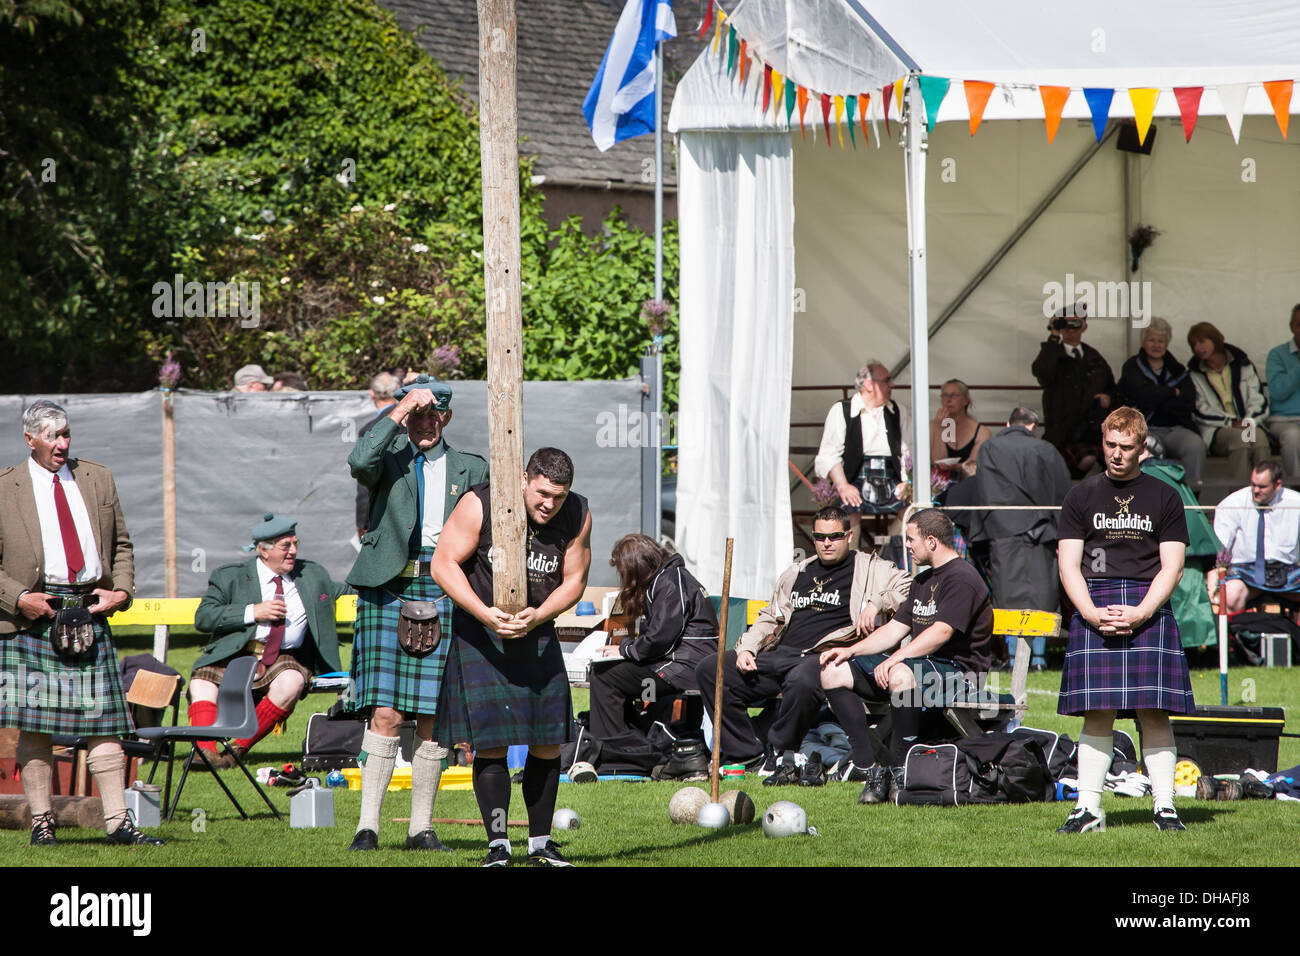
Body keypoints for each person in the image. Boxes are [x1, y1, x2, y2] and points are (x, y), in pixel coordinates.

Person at [0, 400, 162, 846]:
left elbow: (123, 544)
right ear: (30, 438)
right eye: (52, 436)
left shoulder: (96, 477)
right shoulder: (5, 487)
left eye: (66, 433)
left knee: (105, 723)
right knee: (34, 725)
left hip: (91, 610)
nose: (62, 443)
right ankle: (42, 823)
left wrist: (123, 592)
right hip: (33, 618)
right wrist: (19, 598)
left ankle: (118, 824)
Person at [345, 375, 487, 851]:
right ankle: (367, 827)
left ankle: (420, 828)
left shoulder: (470, 467)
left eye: (432, 415)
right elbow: (358, 458)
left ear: (446, 417)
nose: (424, 424)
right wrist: (400, 408)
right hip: (389, 588)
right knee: (384, 713)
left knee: (434, 714)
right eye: (417, 416)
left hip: (446, 586)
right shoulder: (388, 457)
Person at [432, 447, 593, 867]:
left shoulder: (577, 512)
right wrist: (483, 613)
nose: (549, 504)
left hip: (536, 633)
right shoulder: (479, 502)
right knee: (491, 745)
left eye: (558, 496)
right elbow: (443, 563)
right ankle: (498, 845)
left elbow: (575, 579)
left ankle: (540, 843)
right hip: (482, 637)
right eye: (542, 493)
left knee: (546, 743)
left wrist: (541, 614)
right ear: (524, 478)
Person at [695, 505, 911, 785]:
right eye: (820, 537)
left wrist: (876, 602)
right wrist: (747, 648)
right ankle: (747, 754)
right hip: (780, 653)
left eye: (834, 536)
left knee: (803, 680)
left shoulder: (871, 568)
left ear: (848, 535)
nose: (827, 543)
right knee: (711, 669)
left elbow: (908, 585)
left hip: (824, 655)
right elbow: (770, 617)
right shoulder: (797, 572)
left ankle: (781, 750)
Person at [1054, 406, 1193, 833]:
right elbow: (1067, 564)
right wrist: (1090, 613)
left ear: (1142, 448)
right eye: (1110, 445)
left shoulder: (1165, 496)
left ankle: (1165, 807)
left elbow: (1172, 567)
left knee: (1154, 711)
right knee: (1098, 709)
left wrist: (1142, 611)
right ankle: (1088, 810)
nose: (1116, 454)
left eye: (1126, 447)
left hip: (1147, 606)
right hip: (1095, 600)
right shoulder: (1081, 495)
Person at [818, 509, 993, 805]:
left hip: (961, 674)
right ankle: (870, 765)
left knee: (899, 673)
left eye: (911, 539)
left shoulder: (962, 577)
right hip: (921, 668)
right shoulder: (922, 581)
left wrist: (894, 659)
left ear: (932, 541)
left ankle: (901, 770)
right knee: (832, 671)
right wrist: (850, 650)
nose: (907, 546)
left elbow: (941, 633)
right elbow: (893, 630)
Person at [189, 513, 351, 768]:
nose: (293, 551)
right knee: (201, 684)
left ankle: (236, 750)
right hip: (237, 652)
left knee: (292, 682)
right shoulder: (230, 576)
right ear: (263, 551)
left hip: (284, 657)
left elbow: (350, 591)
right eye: (285, 546)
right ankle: (204, 753)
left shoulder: (312, 575)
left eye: (296, 544)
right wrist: (253, 611)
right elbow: (204, 617)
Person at [585, 534, 717, 769]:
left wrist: (624, 648)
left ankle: (614, 750)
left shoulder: (668, 582)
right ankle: (628, 742)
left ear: (635, 567)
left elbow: (660, 639)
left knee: (604, 675)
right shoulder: (669, 577)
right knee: (613, 671)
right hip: (686, 664)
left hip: (683, 668)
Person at [964, 405, 1071, 670]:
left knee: (1006, 595)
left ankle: (1012, 658)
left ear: (1008, 424)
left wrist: (988, 531)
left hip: (1002, 532)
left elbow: (984, 491)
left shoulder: (989, 449)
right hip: (1042, 531)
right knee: (1043, 593)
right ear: (1033, 426)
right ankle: (1038, 658)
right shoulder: (1045, 449)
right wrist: (1059, 530)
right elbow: (1061, 491)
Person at [814, 360, 910, 550]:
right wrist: (842, 485)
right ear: (869, 384)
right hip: (853, 477)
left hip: (891, 476)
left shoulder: (898, 411)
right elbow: (828, 454)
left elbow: (909, 451)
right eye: (887, 380)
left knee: (911, 513)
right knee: (848, 512)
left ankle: (889, 559)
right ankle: (850, 565)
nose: (892, 385)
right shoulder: (842, 410)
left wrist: (907, 482)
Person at [1140, 436, 1220, 650]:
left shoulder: (1145, 476)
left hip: (1164, 553)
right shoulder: (1175, 475)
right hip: (1190, 551)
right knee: (1192, 603)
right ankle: (1200, 651)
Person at [1116, 317, 1206, 492]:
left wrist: (1155, 395)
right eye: (1151, 340)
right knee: (1148, 446)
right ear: (1143, 342)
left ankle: (1191, 501)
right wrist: (1171, 392)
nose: (1156, 345)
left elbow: (1187, 402)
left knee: (1195, 445)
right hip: (1145, 427)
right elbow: (1140, 396)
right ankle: (1150, 500)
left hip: (1175, 428)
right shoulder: (1132, 366)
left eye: (1161, 341)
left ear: (1167, 343)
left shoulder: (1178, 370)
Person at [1031, 303, 1116, 478]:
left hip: (1091, 430)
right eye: (1065, 324)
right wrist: (1053, 335)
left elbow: (1113, 388)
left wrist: (1108, 398)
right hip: (1062, 432)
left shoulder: (1094, 357)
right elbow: (1041, 372)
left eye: (1075, 323)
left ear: (1084, 326)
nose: (1071, 329)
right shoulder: (1053, 354)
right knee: (1083, 460)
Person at [1207, 460, 1300, 613]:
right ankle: (1238, 636)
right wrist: (1213, 584)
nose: (1256, 490)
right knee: (1230, 595)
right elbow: (1218, 549)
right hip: (1245, 571)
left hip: (1288, 571)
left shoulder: (1296, 503)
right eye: (1253, 485)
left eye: (1262, 486)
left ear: (1277, 485)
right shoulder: (1232, 503)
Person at [1186, 321, 1270, 479]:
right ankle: (1239, 501)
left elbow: (1258, 399)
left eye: (1202, 341)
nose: (1198, 347)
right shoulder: (1193, 374)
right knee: (1239, 441)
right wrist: (1231, 423)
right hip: (1217, 429)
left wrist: (1248, 421)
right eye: (1194, 344)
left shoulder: (1243, 365)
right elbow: (1200, 410)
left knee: (1259, 438)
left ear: (1215, 340)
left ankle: (1265, 496)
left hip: (1248, 423)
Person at [355, 370, 402, 538]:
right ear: (397, 389)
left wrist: (363, 521)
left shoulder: (370, 430)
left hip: (383, 514)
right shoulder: (412, 422)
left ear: (372, 393)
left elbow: (364, 479)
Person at [1264, 305, 1300, 480]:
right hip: (1284, 420)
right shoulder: (1277, 354)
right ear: (1292, 327)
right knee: (1293, 436)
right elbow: (1278, 392)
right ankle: (1298, 490)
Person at [930, 379, 991, 481]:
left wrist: (955, 466)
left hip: (968, 486)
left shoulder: (981, 432)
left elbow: (973, 468)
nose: (948, 400)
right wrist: (938, 428)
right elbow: (938, 461)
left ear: (966, 400)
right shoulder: (934, 425)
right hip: (939, 485)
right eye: (944, 395)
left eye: (953, 395)